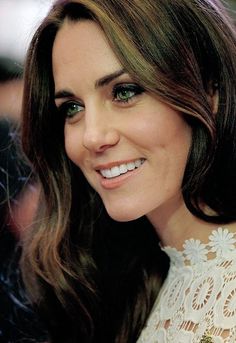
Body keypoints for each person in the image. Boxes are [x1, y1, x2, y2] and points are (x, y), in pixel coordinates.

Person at [21, 0, 236, 342]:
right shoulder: (126, 284)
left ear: (211, 91)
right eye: (72, 108)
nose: (92, 137)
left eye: (125, 91)